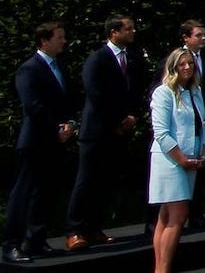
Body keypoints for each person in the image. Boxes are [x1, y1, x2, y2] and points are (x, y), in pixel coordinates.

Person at [66, 14, 144, 250]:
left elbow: (136, 89)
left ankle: (94, 227)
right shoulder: (97, 59)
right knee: (87, 180)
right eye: (128, 29)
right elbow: (95, 94)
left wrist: (132, 116)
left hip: (119, 132)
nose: (132, 32)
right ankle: (74, 229)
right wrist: (118, 120)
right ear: (113, 32)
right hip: (97, 131)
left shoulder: (133, 58)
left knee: (106, 181)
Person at [3, 21, 77, 265]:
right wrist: (55, 129)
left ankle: (36, 239)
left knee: (46, 193)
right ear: (44, 40)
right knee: (23, 194)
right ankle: (11, 244)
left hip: (55, 141)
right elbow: (32, 105)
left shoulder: (59, 68)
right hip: (35, 141)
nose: (63, 41)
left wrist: (69, 123)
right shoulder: (29, 69)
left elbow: (66, 101)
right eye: (59, 37)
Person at [150, 48, 205, 273]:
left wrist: (202, 153)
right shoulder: (163, 93)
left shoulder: (195, 91)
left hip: (191, 159)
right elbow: (162, 133)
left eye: (190, 64)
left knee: (166, 215)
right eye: (182, 64)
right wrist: (182, 159)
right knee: (179, 214)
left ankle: (160, 268)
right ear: (173, 67)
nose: (187, 68)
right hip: (169, 160)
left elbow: (201, 125)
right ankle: (163, 269)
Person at [180, 20, 205, 231]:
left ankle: (196, 214)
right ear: (186, 38)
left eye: (204, 35)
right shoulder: (177, 58)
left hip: (202, 118)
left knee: (200, 167)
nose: (203, 39)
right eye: (198, 35)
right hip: (184, 120)